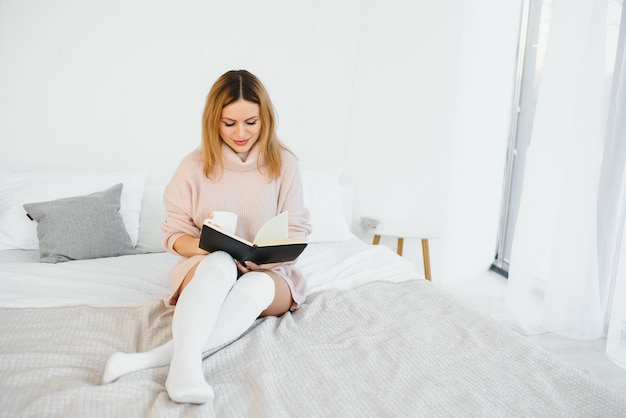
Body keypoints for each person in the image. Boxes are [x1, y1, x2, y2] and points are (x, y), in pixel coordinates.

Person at [101, 69, 312, 404]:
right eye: (229, 124)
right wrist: (211, 248)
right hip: (207, 268)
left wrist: (263, 260)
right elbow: (175, 235)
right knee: (219, 262)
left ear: (266, 119)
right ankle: (185, 369)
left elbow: (297, 231)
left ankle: (155, 360)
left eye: (251, 122)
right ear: (214, 120)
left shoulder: (284, 164)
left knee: (254, 285)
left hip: (270, 274)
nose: (240, 133)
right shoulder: (193, 166)